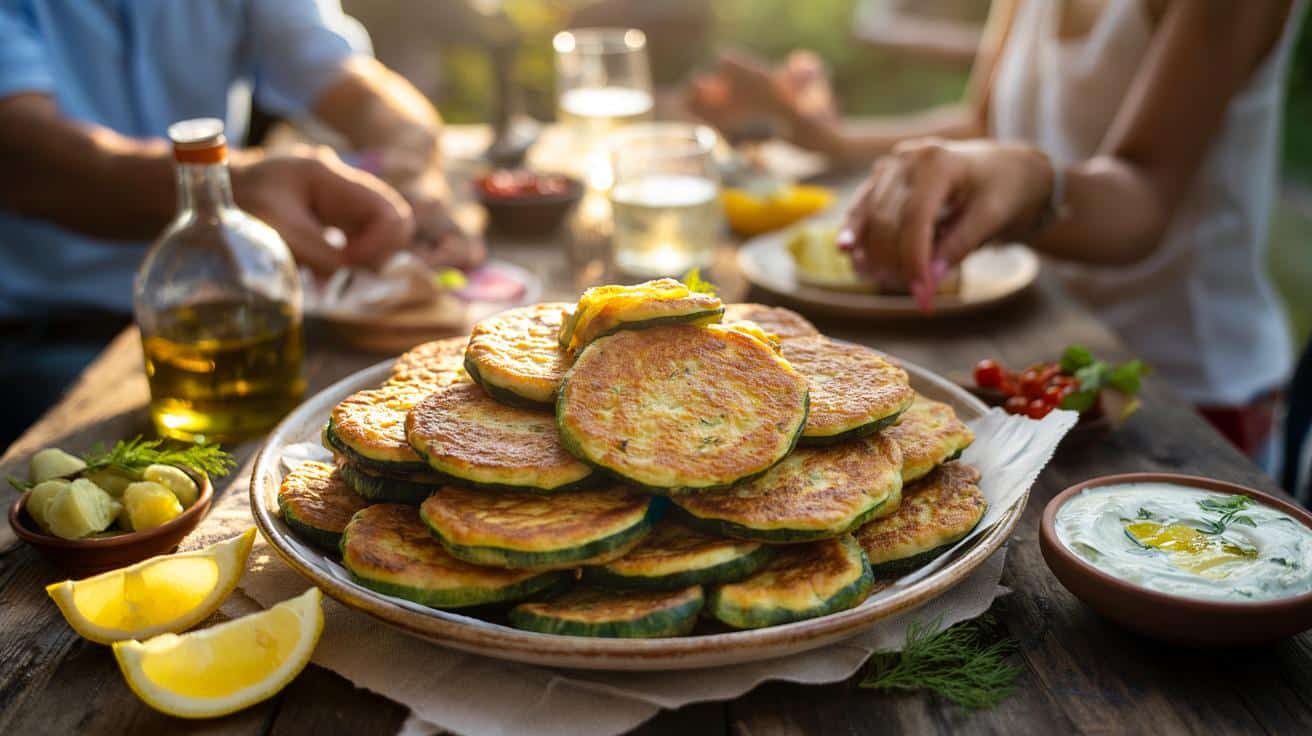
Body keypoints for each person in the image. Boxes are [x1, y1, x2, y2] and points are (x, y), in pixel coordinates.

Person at [690, 0, 1306, 457]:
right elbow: (984, 124)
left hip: (1176, 398)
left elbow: (1142, 192)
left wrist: (1031, 179)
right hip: (1025, 348)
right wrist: (822, 136)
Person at [0, 0, 484, 448]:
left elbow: (352, 82)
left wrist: (411, 171)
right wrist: (231, 187)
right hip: (45, 337)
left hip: (237, 322)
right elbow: (22, 156)